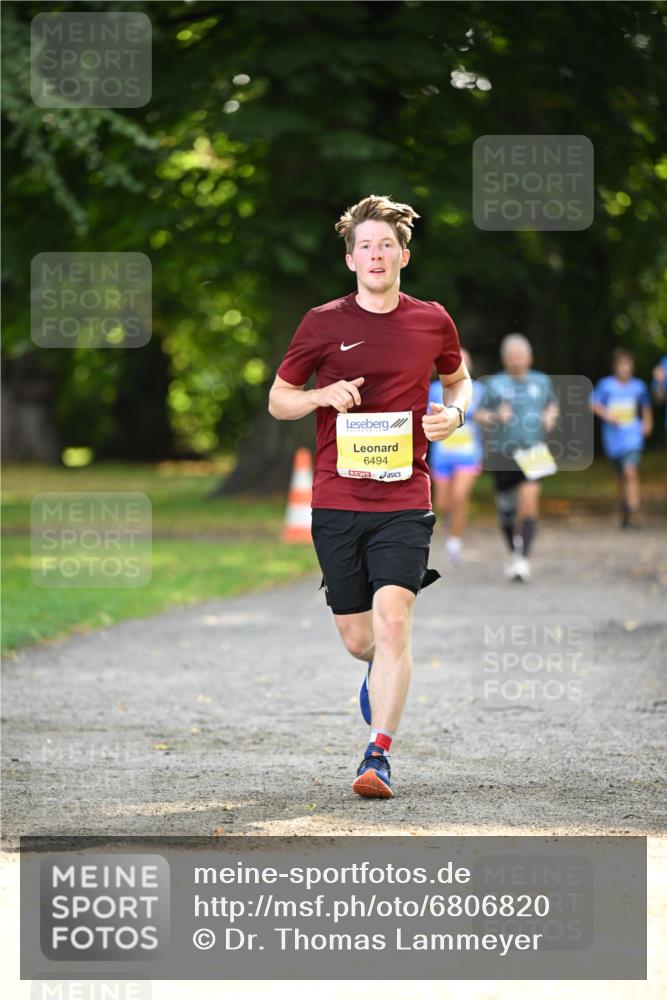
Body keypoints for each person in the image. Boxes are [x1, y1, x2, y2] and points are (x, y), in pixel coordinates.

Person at [268, 194, 471, 799]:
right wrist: (318, 398)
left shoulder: (432, 319)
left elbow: (459, 378)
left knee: (393, 623)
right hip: (336, 498)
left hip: (406, 497)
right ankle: (381, 672)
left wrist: (455, 414)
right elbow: (280, 399)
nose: (376, 254)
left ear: (403, 256)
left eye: (386, 245)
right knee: (362, 640)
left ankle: (377, 756)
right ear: (351, 260)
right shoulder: (322, 322)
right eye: (365, 246)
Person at [474, 334, 559, 582]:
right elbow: (479, 415)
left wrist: (550, 417)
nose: (517, 360)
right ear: (504, 359)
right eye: (512, 356)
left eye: (521, 355)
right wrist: (495, 416)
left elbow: (552, 405)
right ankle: (514, 553)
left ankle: (523, 559)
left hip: (535, 450)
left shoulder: (542, 381)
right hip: (503, 452)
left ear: (530, 357)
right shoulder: (496, 384)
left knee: (529, 501)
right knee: (507, 511)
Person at [428, 349, 484, 564]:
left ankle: (454, 542)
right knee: (442, 504)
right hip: (442, 455)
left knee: (460, 496)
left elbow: (491, 415)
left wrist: (485, 417)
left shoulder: (479, 390)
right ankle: (451, 524)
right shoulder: (433, 389)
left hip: (468, 455)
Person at [590, 348, 653, 528]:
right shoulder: (606, 385)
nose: (625, 368)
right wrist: (607, 415)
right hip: (613, 438)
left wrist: (647, 422)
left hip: (633, 436)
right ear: (615, 366)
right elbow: (592, 403)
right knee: (621, 476)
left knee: (630, 471)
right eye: (622, 365)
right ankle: (625, 510)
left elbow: (645, 406)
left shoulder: (638, 386)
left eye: (628, 365)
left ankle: (634, 511)